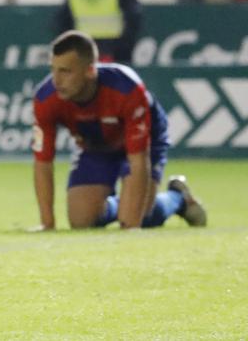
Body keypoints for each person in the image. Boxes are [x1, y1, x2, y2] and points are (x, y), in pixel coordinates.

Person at [31, 31, 207, 231]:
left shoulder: (126, 89)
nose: (56, 80)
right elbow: (43, 162)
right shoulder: (45, 99)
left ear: (90, 71)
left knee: (139, 217)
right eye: (53, 70)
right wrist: (47, 223)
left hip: (143, 144)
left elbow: (138, 158)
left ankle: (177, 198)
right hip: (96, 146)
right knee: (81, 221)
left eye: (65, 71)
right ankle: (123, 204)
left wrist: (132, 225)